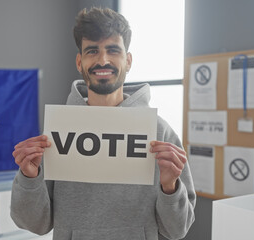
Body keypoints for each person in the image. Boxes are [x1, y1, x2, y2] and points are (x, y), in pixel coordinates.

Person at [11, 7, 196, 240]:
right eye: (92, 51)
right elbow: (35, 224)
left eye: (113, 50)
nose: (103, 60)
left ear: (128, 61)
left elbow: (177, 230)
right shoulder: (57, 132)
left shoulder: (160, 132)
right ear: (79, 62)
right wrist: (29, 177)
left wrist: (170, 187)